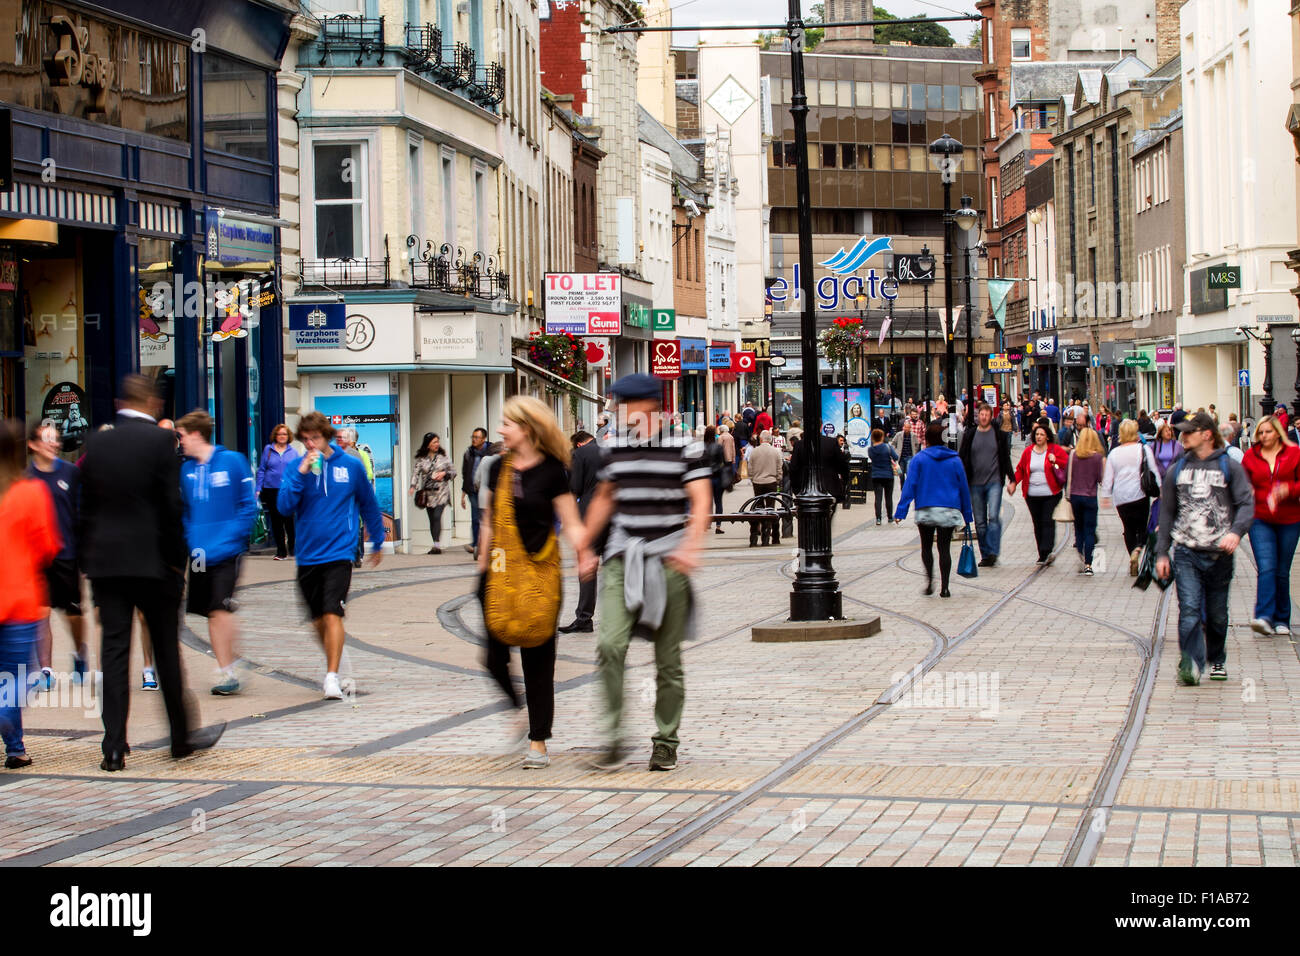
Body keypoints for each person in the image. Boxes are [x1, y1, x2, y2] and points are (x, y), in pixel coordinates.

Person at [80, 375, 224, 772]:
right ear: (153, 403)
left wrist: (86, 560)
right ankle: (180, 738)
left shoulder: (97, 442)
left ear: (119, 401)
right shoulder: (162, 442)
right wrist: (178, 563)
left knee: (114, 652)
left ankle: (113, 746)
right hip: (153, 564)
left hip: (107, 565)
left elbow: (85, 507)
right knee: (164, 651)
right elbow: (170, 507)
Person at [577, 374, 712, 772]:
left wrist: (691, 546)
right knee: (609, 646)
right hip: (623, 557)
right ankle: (614, 737)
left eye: (624, 405)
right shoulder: (613, 447)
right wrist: (585, 547)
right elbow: (605, 497)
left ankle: (666, 740)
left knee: (667, 661)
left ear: (648, 407)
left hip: (668, 560)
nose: (618, 412)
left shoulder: (684, 445)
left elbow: (700, 500)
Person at [477, 397, 584, 769]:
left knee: (538, 661)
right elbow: (490, 518)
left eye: (507, 423)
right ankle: (519, 712)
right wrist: (481, 559)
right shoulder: (496, 468)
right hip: (499, 573)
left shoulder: (554, 471)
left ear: (528, 429)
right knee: (492, 659)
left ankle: (538, 740)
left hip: (540, 576)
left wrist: (585, 552)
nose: (501, 429)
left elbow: (570, 521)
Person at [277, 411, 385, 700]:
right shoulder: (295, 467)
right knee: (317, 620)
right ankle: (336, 662)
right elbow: (284, 507)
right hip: (308, 553)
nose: (310, 443)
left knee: (332, 612)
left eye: (315, 438)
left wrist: (377, 539)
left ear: (326, 437)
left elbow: (367, 502)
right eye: (306, 439)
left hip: (340, 551)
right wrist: (301, 473)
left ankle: (331, 677)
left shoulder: (350, 464)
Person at [1155, 411, 1254, 686]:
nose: (1182, 436)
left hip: (1220, 553)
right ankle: (1190, 661)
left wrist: (1236, 533)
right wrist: (1163, 552)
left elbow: (1246, 504)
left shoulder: (1228, 467)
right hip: (1187, 551)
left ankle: (1217, 657)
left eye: (1189, 431)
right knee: (1188, 608)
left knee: (1217, 614)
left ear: (1207, 434)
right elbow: (1167, 513)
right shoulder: (1177, 469)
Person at [176, 410, 257, 696]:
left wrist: (232, 538)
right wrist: (191, 537)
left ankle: (227, 671)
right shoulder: (186, 470)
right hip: (198, 553)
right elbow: (186, 509)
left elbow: (248, 506)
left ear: (196, 434)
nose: (180, 441)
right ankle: (228, 663)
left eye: (182, 435)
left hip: (227, 551)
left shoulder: (233, 462)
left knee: (220, 607)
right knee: (210, 611)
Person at [1, 420, 60, 769]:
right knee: (14, 679)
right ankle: (13, 746)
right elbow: (47, 547)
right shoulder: (30, 492)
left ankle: (15, 744)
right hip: (20, 602)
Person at [26, 422, 88, 689]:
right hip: (37, 558)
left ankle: (80, 653)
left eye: (56, 439)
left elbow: (81, 513)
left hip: (67, 555)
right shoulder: (25, 478)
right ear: (33, 445)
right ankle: (46, 671)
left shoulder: (72, 473)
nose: (54, 444)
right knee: (41, 614)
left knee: (73, 614)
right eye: (47, 439)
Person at [894, 421, 973, 598]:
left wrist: (901, 511)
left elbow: (910, 485)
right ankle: (945, 587)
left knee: (926, 547)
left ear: (926, 440)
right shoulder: (954, 460)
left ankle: (930, 581)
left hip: (926, 509)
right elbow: (963, 488)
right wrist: (967, 515)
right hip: (948, 510)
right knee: (944, 548)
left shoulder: (919, 459)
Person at [1240, 416, 1300, 637]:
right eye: (1260, 432)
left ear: (1277, 432)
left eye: (1267, 432)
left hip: (1290, 519)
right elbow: (1241, 482)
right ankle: (1264, 616)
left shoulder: (1293, 453)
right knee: (1267, 566)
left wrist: (1287, 490)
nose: (1263, 436)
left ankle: (1282, 619)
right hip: (1260, 518)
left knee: (1282, 571)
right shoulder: (1250, 456)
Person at [958, 402, 1015, 567]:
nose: (983, 417)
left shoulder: (999, 435)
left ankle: (994, 550)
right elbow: (962, 458)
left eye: (986, 415)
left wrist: (1012, 479)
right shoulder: (970, 434)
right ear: (978, 416)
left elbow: (1005, 458)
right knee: (980, 522)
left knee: (993, 517)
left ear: (991, 416)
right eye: (980, 414)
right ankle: (986, 554)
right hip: (975, 483)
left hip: (994, 481)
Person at [1101, 419, 1160, 576]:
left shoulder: (1114, 453)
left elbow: (1108, 476)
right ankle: (1139, 549)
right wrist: (1160, 489)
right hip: (1139, 493)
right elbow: (1153, 470)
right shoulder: (1143, 449)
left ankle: (1131, 553)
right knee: (1142, 526)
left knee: (1128, 528)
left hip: (1121, 496)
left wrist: (1106, 494)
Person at [561, 430, 603, 633]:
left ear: (578, 444)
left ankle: (585, 618)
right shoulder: (611, 450)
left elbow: (574, 487)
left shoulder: (580, 454)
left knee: (587, 568)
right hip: (615, 514)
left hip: (588, 516)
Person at [1011, 423, 1069, 566]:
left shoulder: (1055, 450)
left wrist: (1055, 460)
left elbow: (1067, 464)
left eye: (1042, 434)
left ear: (1048, 436)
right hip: (1032, 495)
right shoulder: (1028, 451)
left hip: (1051, 493)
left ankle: (1047, 550)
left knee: (1047, 521)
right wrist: (1013, 483)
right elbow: (1020, 470)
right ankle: (1042, 554)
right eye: (1037, 434)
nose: (1039, 437)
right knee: (1037, 523)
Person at [255, 424, 299, 561]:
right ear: (275, 436)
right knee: (276, 521)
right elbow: (262, 469)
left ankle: (292, 546)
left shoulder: (293, 452)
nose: (282, 437)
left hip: (288, 490)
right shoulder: (268, 449)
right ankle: (281, 551)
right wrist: (258, 488)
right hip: (271, 489)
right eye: (279, 434)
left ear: (288, 436)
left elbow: (298, 471)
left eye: (284, 434)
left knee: (289, 519)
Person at [1067, 428, 1106, 576]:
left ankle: (1080, 553)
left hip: (1075, 497)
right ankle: (1089, 564)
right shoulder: (1097, 458)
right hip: (1090, 497)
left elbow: (1067, 475)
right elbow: (1100, 479)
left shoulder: (1073, 455)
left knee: (1078, 528)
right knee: (1090, 530)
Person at [410, 433, 456, 555]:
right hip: (428, 494)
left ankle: (436, 545)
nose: (437, 444)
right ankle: (435, 543)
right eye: (434, 442)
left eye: (437, 442)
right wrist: (412, 486)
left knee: (437, 516)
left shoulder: (443, 457)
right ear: (428, 444)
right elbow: (416, 473)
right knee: (432, 519)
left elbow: (453, 472)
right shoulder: (421, 459)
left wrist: (444, 474)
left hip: (442, 492)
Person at [337, 427, 375, 568]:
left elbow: (367, 473)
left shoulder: (360, 455)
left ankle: (357, 554)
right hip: (341, 496)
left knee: (356, 524)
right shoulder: (334, 454)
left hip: (355, 494)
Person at [790, 430, 851, 514]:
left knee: (808, 518)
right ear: (821, 426)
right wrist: (844, 481)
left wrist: (796, 490)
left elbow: (793, 468)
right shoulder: (831, 442)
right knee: (827, 518)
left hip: (805, 491)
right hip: (829, 488)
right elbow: (842, 464)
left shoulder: (799, 445)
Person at [459, 427, 489, 556]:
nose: (474, 439)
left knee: (486, 517)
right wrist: (463, 492)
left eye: (476, 437)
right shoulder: (468, 453)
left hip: (487, 490)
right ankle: (476, 544)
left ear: (483, 439)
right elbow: (465, 473)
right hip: (473, 490)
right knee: (476, 518)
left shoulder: (491, 452)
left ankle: (485, 543)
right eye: (473, 437)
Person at [867, 428, 899, 526]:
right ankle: (889, 517)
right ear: (882, 437)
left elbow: (872, 458)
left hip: (876, 475)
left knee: (878, 498)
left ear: (872, 438)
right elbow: (896, 457)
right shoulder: (887, 447)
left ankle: (878, 518)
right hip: (888, 475)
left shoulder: (870, 450)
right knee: (888, 497)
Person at [704, 425, 729, 533]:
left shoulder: (702, 447)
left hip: (706, 478)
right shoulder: (718, 447)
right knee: (718, 502)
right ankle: (718, 525)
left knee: (707, 502)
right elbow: (723, 461)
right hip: (717, 477)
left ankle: (707, 523)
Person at [892, 407, 925, 479]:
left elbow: (923, 434)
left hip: (915, 447)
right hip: (903, 452)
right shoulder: (907, 422)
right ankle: (903, 486)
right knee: (901, 473)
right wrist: (896, 450)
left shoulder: (920, 422)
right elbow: (895, 441)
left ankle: (909, 484)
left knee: (909, 470)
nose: (914, 416)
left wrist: (922, 445)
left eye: (915, 414)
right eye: (913, 414)